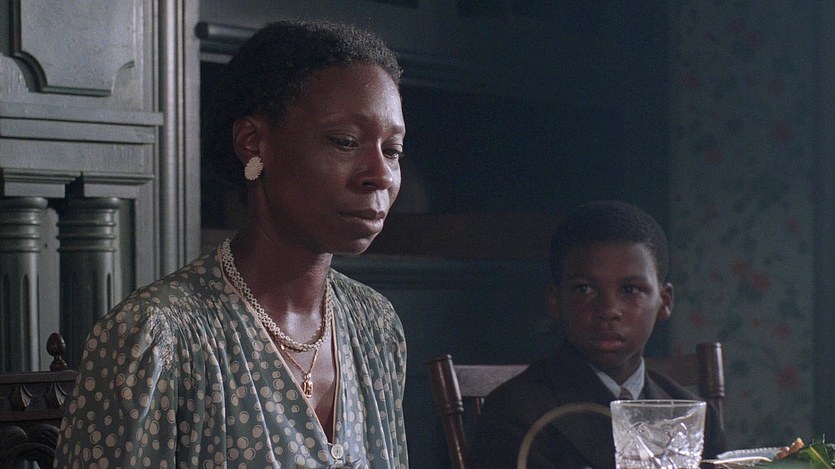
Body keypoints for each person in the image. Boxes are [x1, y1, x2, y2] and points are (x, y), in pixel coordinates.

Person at [55, 20, 408, 468]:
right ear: (253, 142)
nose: (380, 174)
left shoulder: (375, 326)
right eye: (345, 142)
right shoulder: (156, 338)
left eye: (392, 150)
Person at [470, 200, 727, 469]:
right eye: (584, 289)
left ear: (664, 301)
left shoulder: (694, 416)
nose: (608, 310)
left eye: (630, 290)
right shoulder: (517, 410)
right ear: (555, 300)